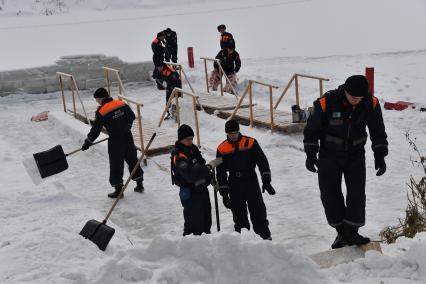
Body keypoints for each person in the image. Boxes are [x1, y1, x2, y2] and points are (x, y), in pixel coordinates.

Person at [303, 75, 388, 249]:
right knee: (329, 195)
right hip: (329, 156)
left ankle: (352, 232)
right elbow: (311, 129)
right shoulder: (325, 102)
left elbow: (377, 129)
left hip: (355, 155)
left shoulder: (370, 103)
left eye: (360, 97)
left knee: (357, 194)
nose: (356, 100)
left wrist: (380, 155)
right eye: (353, 97)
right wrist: (310, 154)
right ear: (345, 91)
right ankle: (341, 232)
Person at [216, 120, 275, 240]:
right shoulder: (222, 148)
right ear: (226, 133)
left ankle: (265, 239)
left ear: (239, 131)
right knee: (239, 215)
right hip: (234, 183)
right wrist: (224, 193)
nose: (234, 135)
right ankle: (243, 242)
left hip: (250, 180)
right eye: (231, 133)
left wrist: (266, 180)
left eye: (236, 132)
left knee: (258, 211)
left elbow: (262, 161)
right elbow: (221, 171)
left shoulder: (250, 142)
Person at [81, 88, 144, 198]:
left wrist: (88, 142)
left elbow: (96, 130)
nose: (97, 102)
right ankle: (139, 184)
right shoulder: (121, 103)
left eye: (97, 100)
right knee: (132, 158)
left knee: (116, 163)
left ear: (101, 98)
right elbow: (132, 116)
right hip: (127, 136)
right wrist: (127, 127)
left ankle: (118, 190)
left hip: (115, 140)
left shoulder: (101, 111)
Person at [171, 124, 213, 236]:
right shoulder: (179, 156)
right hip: (190, 193)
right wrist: (205, 169)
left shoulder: (193, 148)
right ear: (181, 139)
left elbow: (201, 163)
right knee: (194, 224)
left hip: (201, 189)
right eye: (187, 139)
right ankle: (190, 249)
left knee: (206, 221)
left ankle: (207, 246)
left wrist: (206, 174)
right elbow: (190, 175)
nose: (190, 141)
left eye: (191, 138)